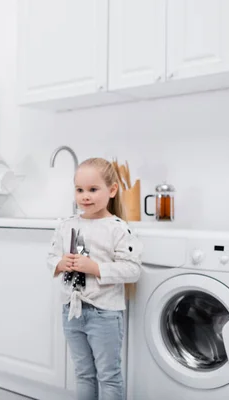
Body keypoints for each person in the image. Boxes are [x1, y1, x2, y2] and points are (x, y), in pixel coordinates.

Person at [47, 157, 142, 400]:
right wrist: (59, 264)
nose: (85, 196)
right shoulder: (66, 225)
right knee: (83, 373)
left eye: (92, 189)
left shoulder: (118, 229)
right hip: (72, 311)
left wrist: (96, 268)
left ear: (112, 190)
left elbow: (133, 269)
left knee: (108, 375)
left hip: (105, 314)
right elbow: (51, 256)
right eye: (80, 190)